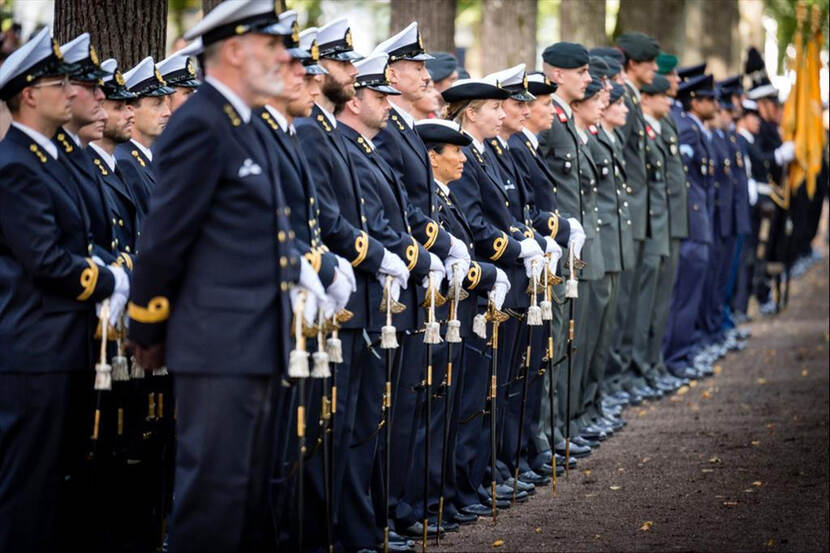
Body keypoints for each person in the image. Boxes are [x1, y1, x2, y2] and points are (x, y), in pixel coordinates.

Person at [126, 2, 327, 550]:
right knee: (213, 502)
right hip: (217, 343)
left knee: (250, 499)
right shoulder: (201, 122)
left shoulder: (248, 122)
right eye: (271, 46)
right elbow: (165, 238)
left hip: (257, 339)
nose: (283, 58)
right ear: (235, 51)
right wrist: (147, 325)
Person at [0, 27, 129, 552]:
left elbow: (80, 242)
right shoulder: (16, 165)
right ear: (30, 95)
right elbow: (47, 261)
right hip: (35, 351)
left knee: (58, 489)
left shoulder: (47, 159)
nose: (72, 92)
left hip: (62, 347)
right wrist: (111, 279)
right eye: (60, 84)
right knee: (28, 492)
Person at [335, 51, 437, 549]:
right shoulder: (349, 147)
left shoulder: (369, 148)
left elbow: (401, 215)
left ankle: (369, 524)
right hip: (359, 299)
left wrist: (426, 254)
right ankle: (358, 528)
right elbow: (372, 224)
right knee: (357, 424)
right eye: (379, 95)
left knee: (371, 420)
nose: (387, 104)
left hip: (381, 296)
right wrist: (414, 259)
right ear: (354, 101)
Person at [662, 73, 717, 379]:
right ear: (694, 101)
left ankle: (682, 352)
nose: (715, 105)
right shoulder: (687, 129)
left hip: (698, 221)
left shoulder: (694, 129)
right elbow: (680, 179)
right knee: (684, 295)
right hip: (691, 223)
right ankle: (675, 357)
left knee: (689, 294)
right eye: (709, 99)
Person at [116, 56, 174, 218]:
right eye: (157, 104)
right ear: (131, 111)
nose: (167, 112)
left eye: (166, 104)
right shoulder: (125, 163)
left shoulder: (147, 157)